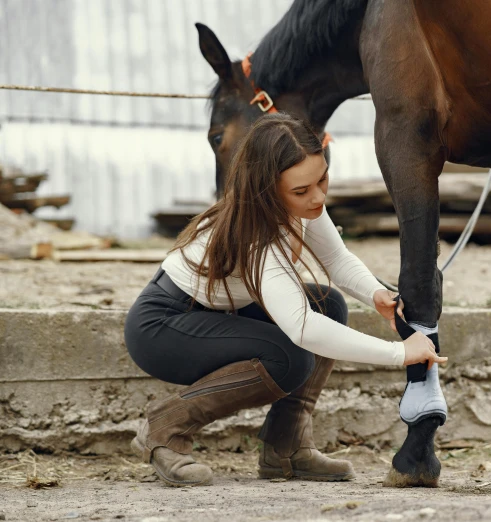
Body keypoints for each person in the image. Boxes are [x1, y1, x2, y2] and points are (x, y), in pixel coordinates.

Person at [124, 113, 446, 487]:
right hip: (163, 328)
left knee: (329, 304)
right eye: (301, 191)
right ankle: (166, 428)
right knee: (290, 356)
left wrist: (375, 294)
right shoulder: (255, 233)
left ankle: (286, 448)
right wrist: (399, 353)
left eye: (322, 179)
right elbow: (302, 327)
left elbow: (337, 259)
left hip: (217, 311)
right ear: (266, 188)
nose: (318, 197)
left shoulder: (301, 205)